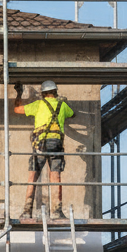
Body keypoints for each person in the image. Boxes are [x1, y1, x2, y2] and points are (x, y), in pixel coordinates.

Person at [15, 80, 75, 221]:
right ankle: (57, 211)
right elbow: (72, 114)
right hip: (56, 144)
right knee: (55, 176)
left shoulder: (38, 104)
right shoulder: (63, 105)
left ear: (43, 93)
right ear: (55, 92)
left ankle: (27, 211)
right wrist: (64, 102)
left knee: (33, 176)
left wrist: (18, 94)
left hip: (40, 145)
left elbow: (17, 109)